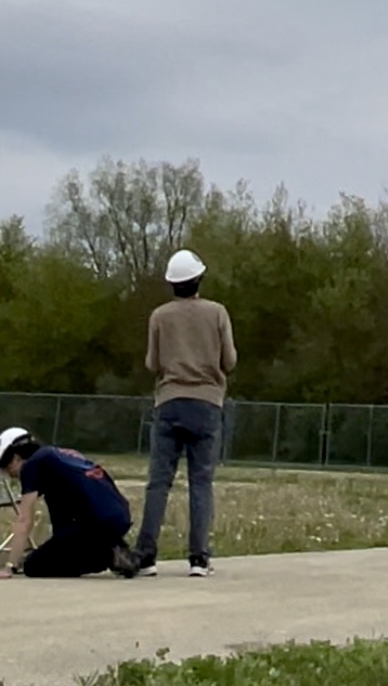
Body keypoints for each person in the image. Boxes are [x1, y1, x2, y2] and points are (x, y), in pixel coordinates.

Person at [132, 247, 237, 579]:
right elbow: (230, 361)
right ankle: (198, 559)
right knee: (201, 482)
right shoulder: (217, 313)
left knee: (158, 482)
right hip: (207, 403)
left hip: (169, 402)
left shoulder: (159, 316)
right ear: (199, 279)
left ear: (171, 284)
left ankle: (146, 556)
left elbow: (152, 363)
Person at [0, 428, 137, 578]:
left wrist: (10, 566)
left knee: (33, 566)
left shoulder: (32, 465)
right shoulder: (58, 456)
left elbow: (24, 520)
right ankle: (113, 545)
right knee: (55, 546)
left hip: (98, 522)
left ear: (16, 457)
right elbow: (61, 517)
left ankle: (108, 556)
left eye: (6, 466)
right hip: (118, 515)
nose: (9, 474)